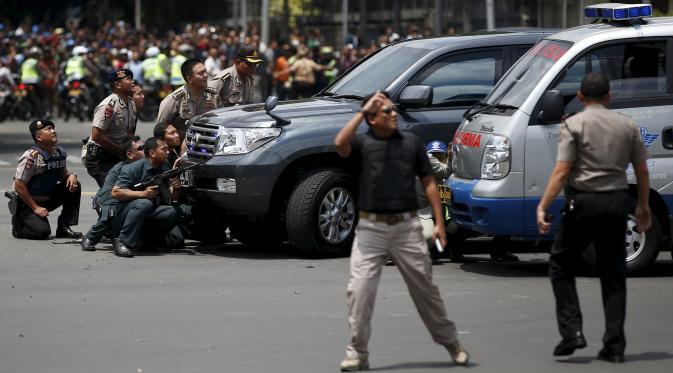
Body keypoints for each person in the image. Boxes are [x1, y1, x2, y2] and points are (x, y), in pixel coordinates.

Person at [334, 92, 469, 371]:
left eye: (394, 110)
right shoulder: (363, 144)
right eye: (386, 111)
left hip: (407, 228)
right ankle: (357, 352)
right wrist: (362, 111)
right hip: (370, 229)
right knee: (359, 291)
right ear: (372, 119)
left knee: (425, 290)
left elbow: (430, 182)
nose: (394, 114)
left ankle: (451, 341)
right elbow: (339, 143)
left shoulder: (411, 143)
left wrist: (440, 224)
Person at [536, 73, 651, 363]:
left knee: (561, 263)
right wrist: (643, 207)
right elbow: (642, 170)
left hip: (584, 202)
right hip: (617, 203)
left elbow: (562, 170)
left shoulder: (573, 125)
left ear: (581, 97)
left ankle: (572, 331)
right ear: (609, 96)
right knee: (613, 273)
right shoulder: (627, 125)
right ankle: (614, 346)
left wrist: (543, 205)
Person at [109, 137, 188, 257]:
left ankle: (146, 240)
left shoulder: (164, 166)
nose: (168, 152)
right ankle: (122, 242)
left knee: (178, 212)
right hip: (125, 214)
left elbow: (170, 197)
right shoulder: (133, 168)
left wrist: (176, 188)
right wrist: (143, 194)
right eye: (164, 149)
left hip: (150, 212)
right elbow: (116, 192)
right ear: (152, 153)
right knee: (144, 203)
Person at [8, 120, 82, 240]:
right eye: (48, 129)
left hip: (48, 198)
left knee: (75, 186)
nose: (53, 131)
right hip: (27, 203)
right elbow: (19, 185)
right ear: (39, 137)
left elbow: (63, 175)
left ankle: (64, 227)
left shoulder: (59, 153)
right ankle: (19, 226)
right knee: (42, 232)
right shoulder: (31, 157)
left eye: (53, 128)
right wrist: (35, 208)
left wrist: (72, 175)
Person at [80, 139, 145, 252]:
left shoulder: (145, 165)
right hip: (108, 200)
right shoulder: (119, 169)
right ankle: (91, 237)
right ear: (130, 154)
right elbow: (109, 195)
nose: (144, 150)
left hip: (130, 198)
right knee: (111, 212)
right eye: (140, 148)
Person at [84, 69, 137, 187]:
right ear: (117, 85)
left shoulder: (131, 104)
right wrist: (119, 149)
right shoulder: (108, 105)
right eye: (128, 79)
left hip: (118, 154)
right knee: (112, 191)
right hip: (100, 157)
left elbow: (129, 132)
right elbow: (97, 135)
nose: (132, 82)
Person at [157, 58, 220, 138]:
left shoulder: (213, 95)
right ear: (189, 79)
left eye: (205, 71)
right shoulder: (174, 99)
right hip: (182, 145)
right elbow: (160, 130)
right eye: (200, 73)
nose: (205, 75)